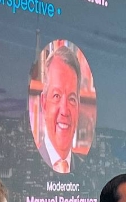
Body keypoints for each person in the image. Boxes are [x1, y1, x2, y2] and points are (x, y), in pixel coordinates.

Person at [39, 45, 81, 174]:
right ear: (44, 104)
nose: (64, 110)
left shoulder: (84, 169)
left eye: (72, 99)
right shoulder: (27, 164)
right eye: (56, 96)